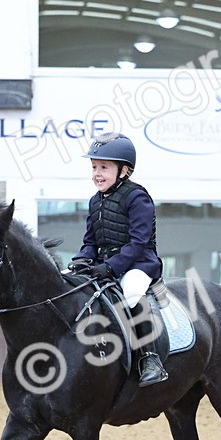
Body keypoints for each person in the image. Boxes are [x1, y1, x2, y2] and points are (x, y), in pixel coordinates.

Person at [67, 132, 168, 387]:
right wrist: (82, 260)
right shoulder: (95, 201)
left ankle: (150, 359)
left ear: (123, 170)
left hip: (139, 264)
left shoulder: (137, 198)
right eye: (94, 167)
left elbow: (138, 242)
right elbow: (91, 241)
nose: (96, 173)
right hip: (106, 265)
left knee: (132, 292)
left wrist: (109, 267)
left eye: (104, 167)